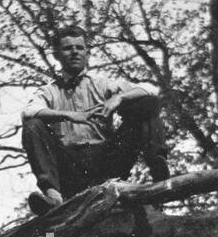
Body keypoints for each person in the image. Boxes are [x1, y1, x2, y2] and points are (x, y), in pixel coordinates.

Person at [20, 26, 171, 216]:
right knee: (33, 125)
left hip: (106, 161)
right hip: (70, 167)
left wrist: (119, 99)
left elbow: (151, 90)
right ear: (57, 55)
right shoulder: (49, 91)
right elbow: (28, 111)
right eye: (67, 48)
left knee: (147, 103)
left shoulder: (102, 84)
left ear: (86, 52)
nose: (75, 52)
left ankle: (160, 174)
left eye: (79, 47)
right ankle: (53, 197)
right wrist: (68, 115)